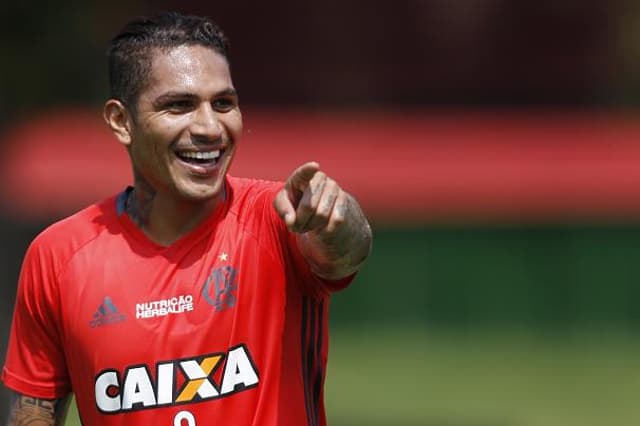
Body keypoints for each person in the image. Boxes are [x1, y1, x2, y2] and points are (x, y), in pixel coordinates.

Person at [1, 11, 372, 426]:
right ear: (122, 122)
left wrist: (338, 218)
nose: (210, 127)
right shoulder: (58, 255)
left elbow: (346, 251)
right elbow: (34, 408)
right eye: (179, 105)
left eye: (224, 103)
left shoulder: (276, 219)